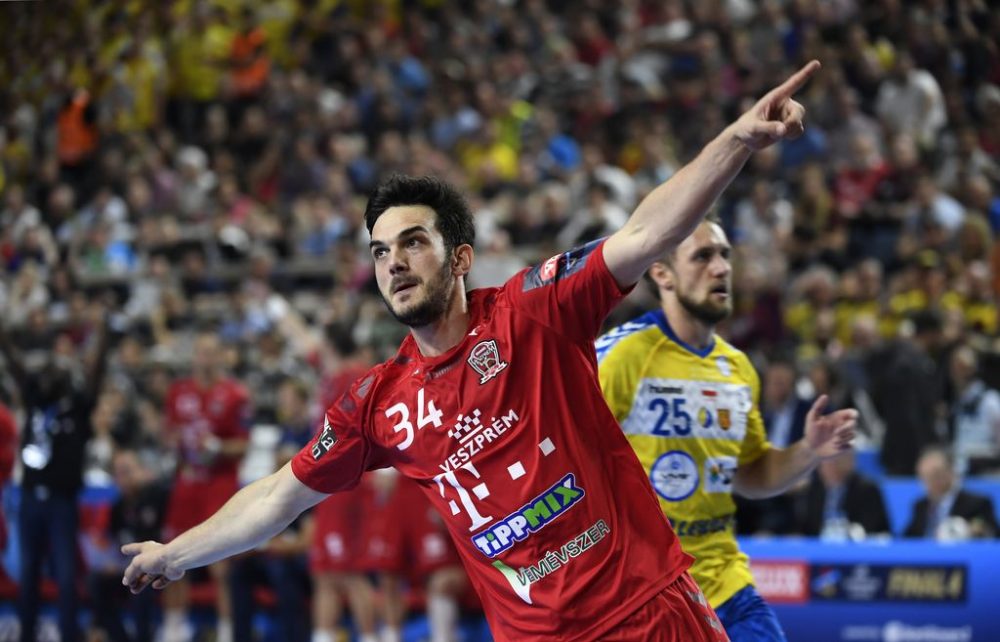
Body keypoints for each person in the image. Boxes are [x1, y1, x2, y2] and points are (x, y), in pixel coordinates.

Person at [123, 61, 822, 642]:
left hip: (646, 614)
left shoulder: (533, 311)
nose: (393, 262)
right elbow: (278, 496)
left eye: (413, 242)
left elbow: (642, 235)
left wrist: (735, 139)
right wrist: (176, 554)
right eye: (380, 251)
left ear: (460, 257)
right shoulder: (380, 401)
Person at [596, 220, 857, 640]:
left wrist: (809, 449)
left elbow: (752, 474)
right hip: (642, 591)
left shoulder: (737, 368)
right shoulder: (621, 357)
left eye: (724, 255)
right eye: (702, 256)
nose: (720, 268)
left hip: (724, 583)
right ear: (662, 273)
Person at [1, 305, 111, 642]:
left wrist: (103, 335)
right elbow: (16, 367)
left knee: (65, 575)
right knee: (30, 575)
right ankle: (26, 635)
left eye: (62, 367)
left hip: (63, 502)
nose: (55, 371)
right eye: (51, 365)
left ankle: (68, 635)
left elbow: (96, 372)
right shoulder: (36, 400)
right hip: (32, 499)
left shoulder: (79, 406)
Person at [160, 331, 251, 642]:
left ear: (221, 356)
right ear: (194, 355)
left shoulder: (235, 394)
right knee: (172, 556)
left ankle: (227, 632)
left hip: (220, 484)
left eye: (212, 352)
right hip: (187, 481)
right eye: (202, 352)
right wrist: (174, 443)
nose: (206, 358)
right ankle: (174, 629)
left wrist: (217, 448)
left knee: (221, 564)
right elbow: (169, 434)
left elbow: (242, 446)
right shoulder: (178, 392)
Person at [87, 448, 170, 642]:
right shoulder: (117, 507)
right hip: (128, 568)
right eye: (118, 473)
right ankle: (119, 637)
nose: (123, 478)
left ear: (142, 471)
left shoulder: (158, 497)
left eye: (128, 471)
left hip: (159, 570)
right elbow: (115, 544)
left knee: (142, 584)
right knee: (96, 580)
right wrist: (111, 562)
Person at [904, 446, 999, 540]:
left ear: (951, 471)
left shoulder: (977, 504)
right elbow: (905, 540)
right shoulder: (920, 506)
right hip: (926, 554)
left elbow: (991, 534)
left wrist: (973, 532)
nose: (930, 482)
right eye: (925, 477)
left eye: (935, 475)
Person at [795, 450, 890, 540]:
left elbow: (873, 530)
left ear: (850, 462)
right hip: (817, 552)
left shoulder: (867, 489)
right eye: (825, 462)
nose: (830, 467)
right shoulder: (813, 490)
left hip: (854, 553)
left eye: (835, 461)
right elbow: (803, 527)